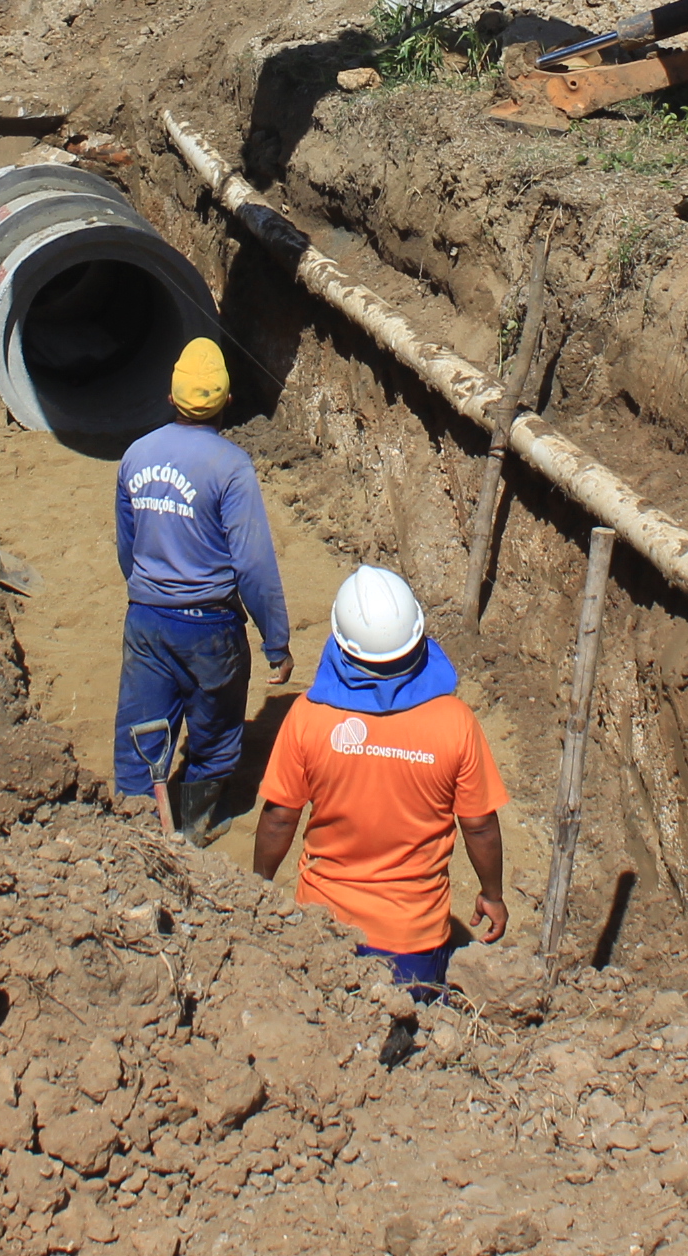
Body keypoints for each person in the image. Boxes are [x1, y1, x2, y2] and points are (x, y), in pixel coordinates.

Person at [251, 568, 509, 1000]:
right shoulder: (455, 723)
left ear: (340, 643)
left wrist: (258, 886)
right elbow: (479, 824)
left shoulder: (307, 718)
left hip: (322, 929)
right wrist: (493, 894)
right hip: (414, 939)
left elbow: (280, 817)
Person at [111, 339, 292, 842]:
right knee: (214, 736)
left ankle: (131, 834)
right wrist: (275, 640)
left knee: (140, 733)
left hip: (147, 619)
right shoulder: (231, 467)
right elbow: (253, 564)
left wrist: (149, 591)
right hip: (211, 627)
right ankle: (193, 825)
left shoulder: (136, 456)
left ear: (171, 398)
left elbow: (128, 547)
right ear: (227, 403)